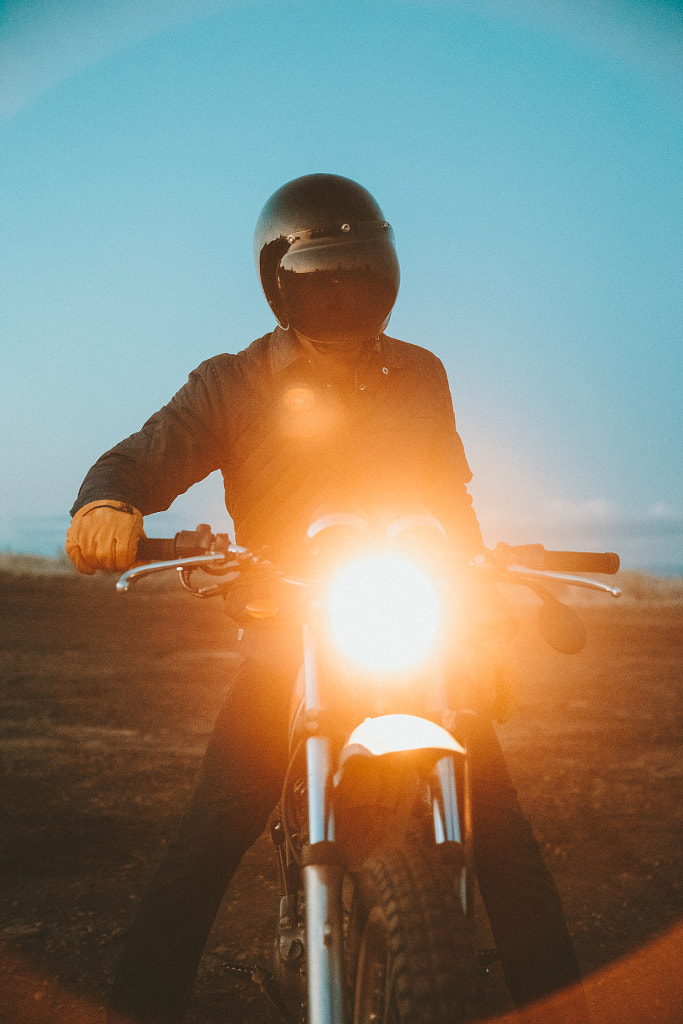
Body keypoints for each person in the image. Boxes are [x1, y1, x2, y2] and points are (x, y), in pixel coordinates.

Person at [66, 174, 587, 1023]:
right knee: (203, 845)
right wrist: (107, 503)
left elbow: (450, 501)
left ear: (386, 272)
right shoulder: (231, 382)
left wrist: (482, 597)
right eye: (323, 271)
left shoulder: (421, 374)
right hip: (288, 635)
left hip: (420, 630)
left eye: (359, 268)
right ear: (281, 279)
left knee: (507, 848)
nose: (343, 287)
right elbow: (142, 456)